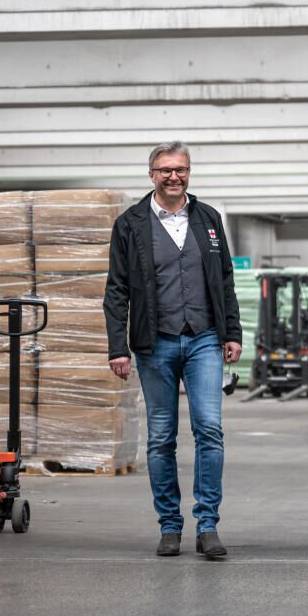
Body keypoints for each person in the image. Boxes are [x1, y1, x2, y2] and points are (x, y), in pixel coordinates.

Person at [104, 141, 242, 560]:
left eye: (180, 169)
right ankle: (169, 525)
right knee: (162, 436)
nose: (173, 176)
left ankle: (208, 525)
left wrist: (232, 332)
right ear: (152, 174)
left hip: (204, 338)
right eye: (165, 170)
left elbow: (225, 279)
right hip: (155, 342)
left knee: (209, 430)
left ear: (189, 173)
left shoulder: (208, 218)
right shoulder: (130, 224)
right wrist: (118, 347)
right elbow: (116, 290)